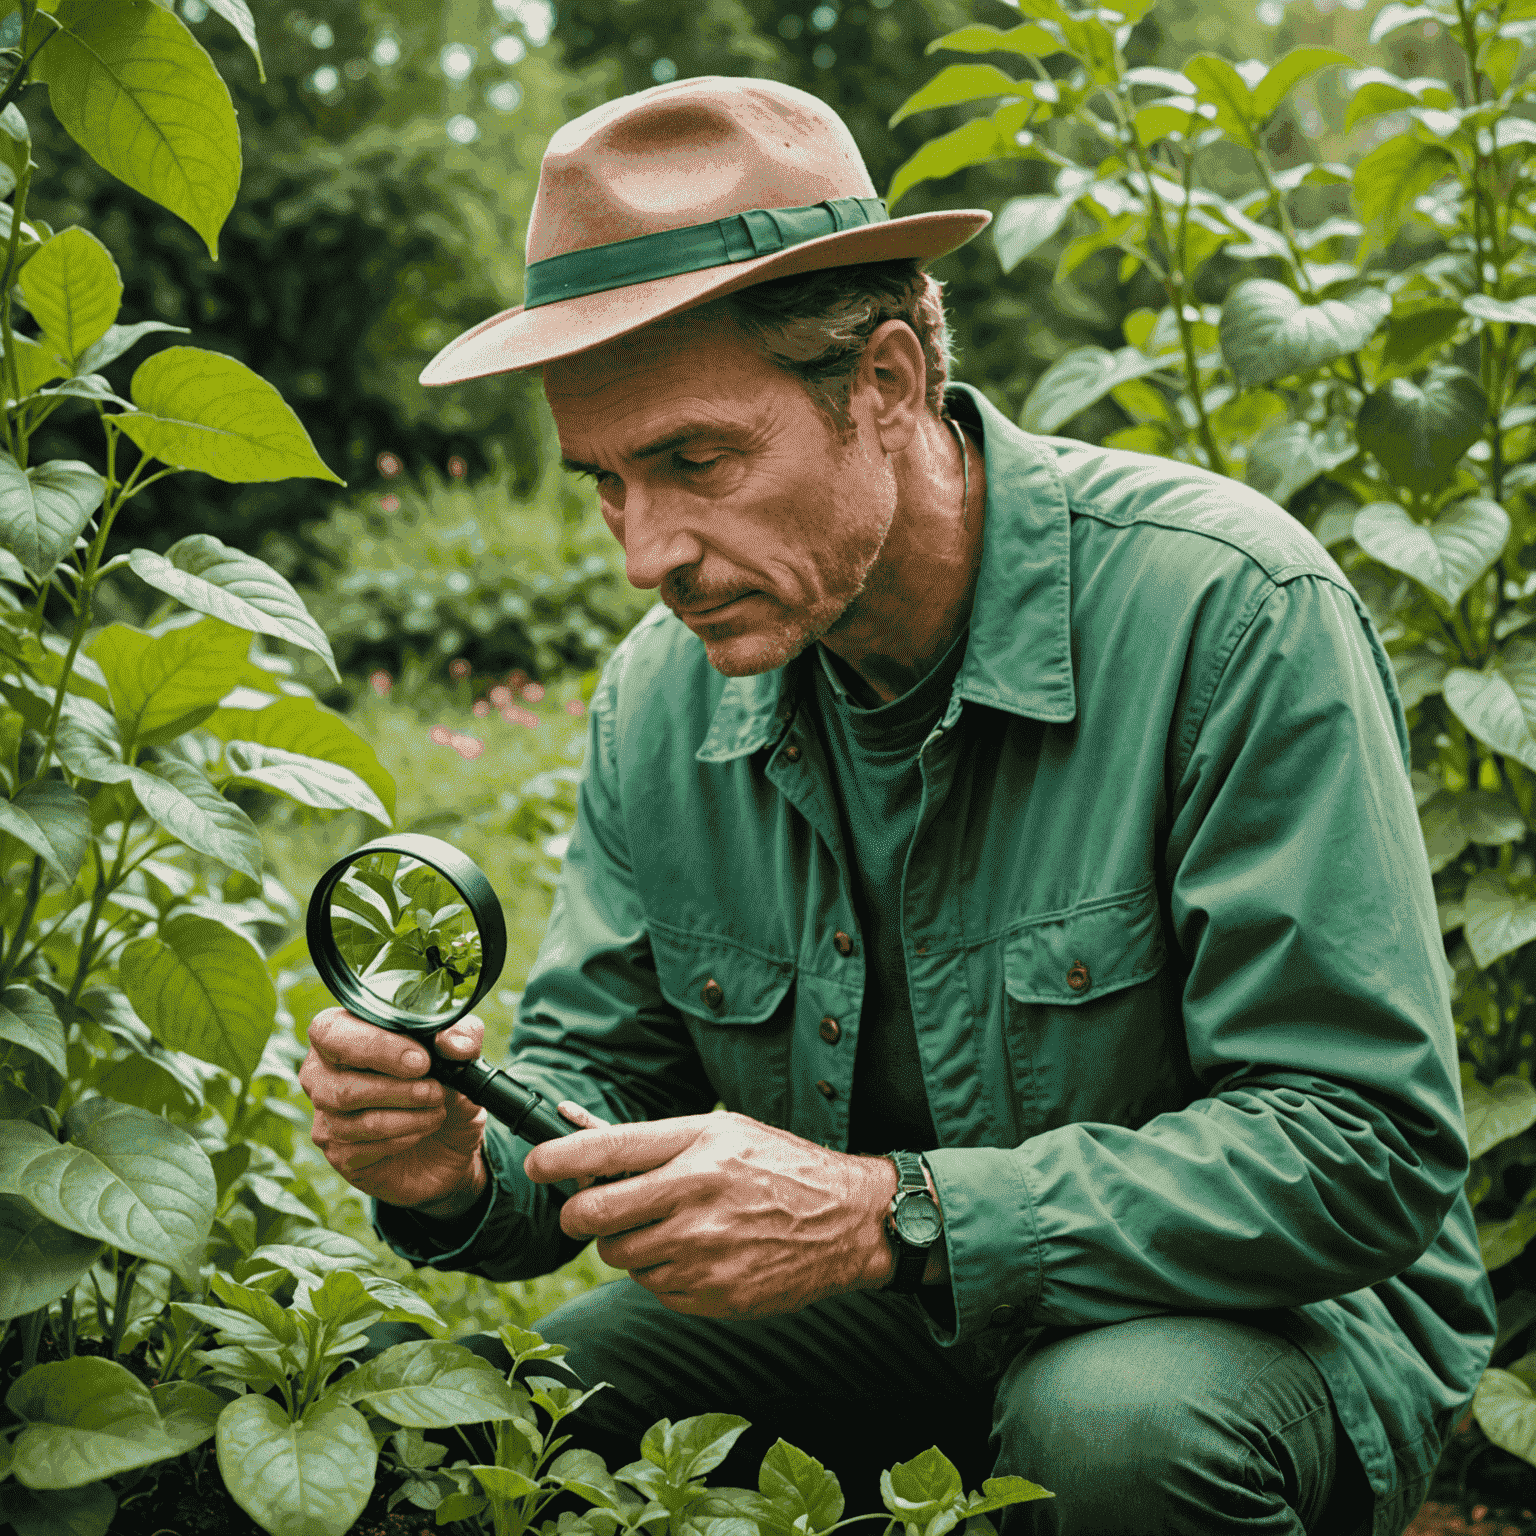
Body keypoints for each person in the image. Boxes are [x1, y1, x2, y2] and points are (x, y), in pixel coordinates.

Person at [299, 76, 1497, 1535]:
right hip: (884, 1313)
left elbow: (1361, 1148)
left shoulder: (1228, 611)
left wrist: (888, 1212)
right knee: (526, 1409)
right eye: (607, 483)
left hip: (1268, 1324)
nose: (647, 553)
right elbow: (601, 1085)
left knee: (1111, 1426)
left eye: (695, 461)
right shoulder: (657, 698)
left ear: (884, 386)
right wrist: (455, 1164)